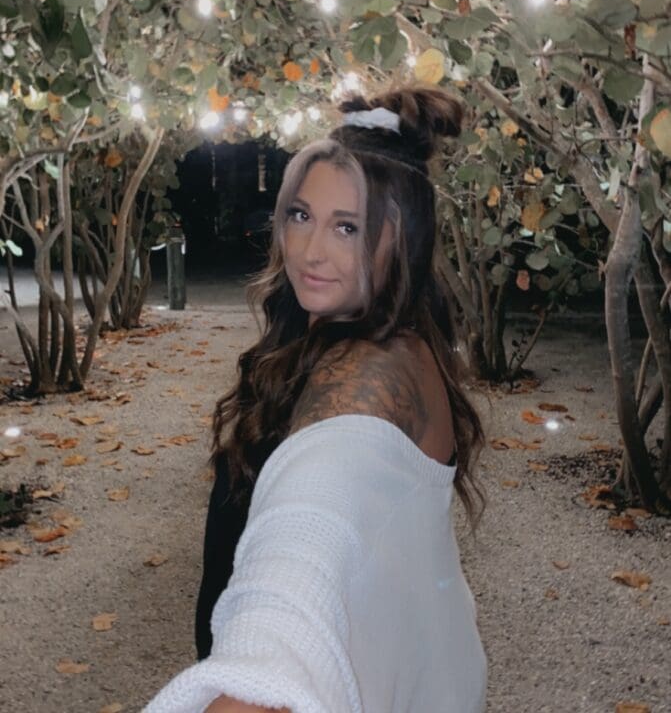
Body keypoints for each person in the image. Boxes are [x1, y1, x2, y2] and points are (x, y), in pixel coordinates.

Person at [144, 85, 487, 713]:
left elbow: (302, 551)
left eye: (348, 227)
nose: (309, 251)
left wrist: (252, 679)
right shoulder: (393, 341)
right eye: (301, 215)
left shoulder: (363, 380)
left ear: (400, 240)